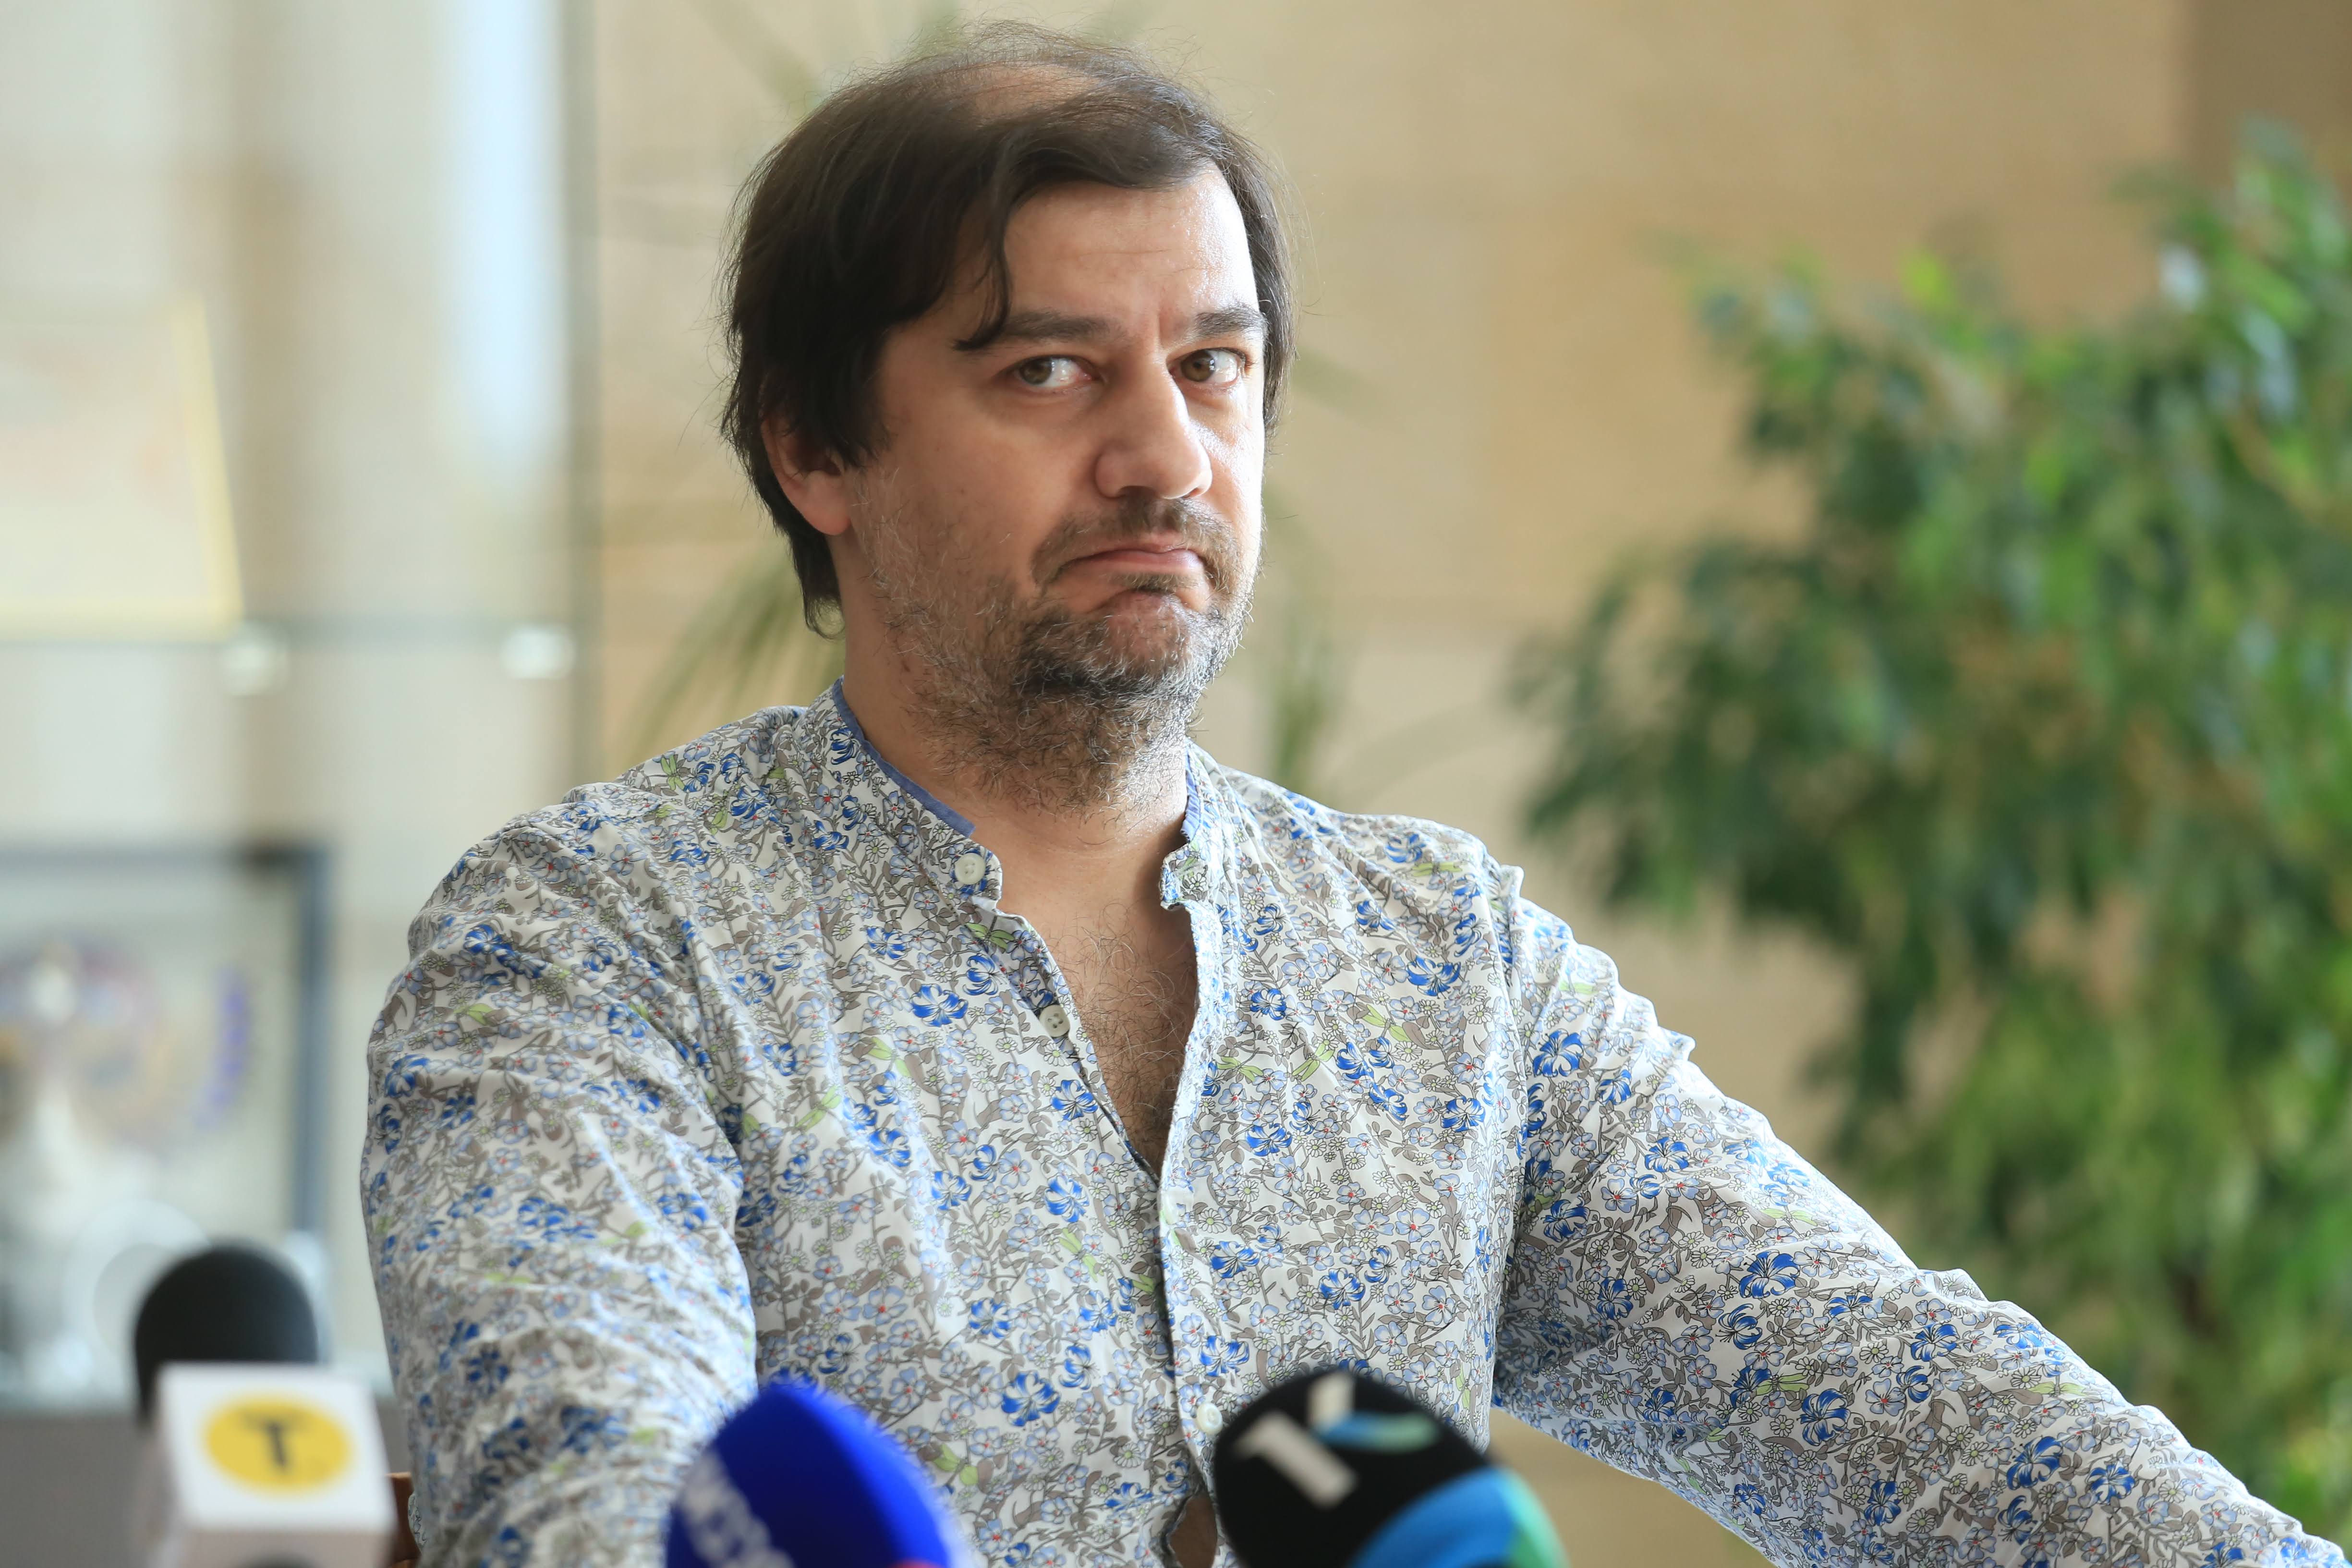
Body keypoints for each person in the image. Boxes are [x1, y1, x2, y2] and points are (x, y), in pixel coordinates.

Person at [362, 23, 2346, 1568]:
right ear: (817, 447)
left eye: (1214, 366)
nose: (1165, 457)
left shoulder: (1437, 961)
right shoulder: (592, 942)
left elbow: (1905, 1401)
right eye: (1049, 371)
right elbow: (583, 1493)